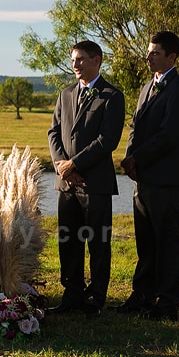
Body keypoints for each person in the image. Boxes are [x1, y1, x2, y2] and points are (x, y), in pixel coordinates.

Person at [46, 40, 125, 318]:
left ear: (97, 60)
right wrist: (61, 165)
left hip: (96, 184)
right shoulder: (66, 94)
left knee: (98, 242)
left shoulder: (112, 96)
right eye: (72, 60)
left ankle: (96, 297)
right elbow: (53, 132)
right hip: (66, 183)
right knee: (68, 240)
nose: (75, 65)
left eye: (80, 59)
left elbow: (108, 140)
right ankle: (72, 294)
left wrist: (75, 164)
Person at [117, 31, 179, 322]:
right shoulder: (148, 86)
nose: (148, 56)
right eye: (149, 51)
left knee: (167, 240)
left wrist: (138, 158)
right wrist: (130, 157)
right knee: (145, 239)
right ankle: (142, 294)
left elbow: (170, 135)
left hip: (165, 176)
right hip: (143, 176)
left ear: (171, 57)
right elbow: (135, 126)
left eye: (155, 53)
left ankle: (168, 301)